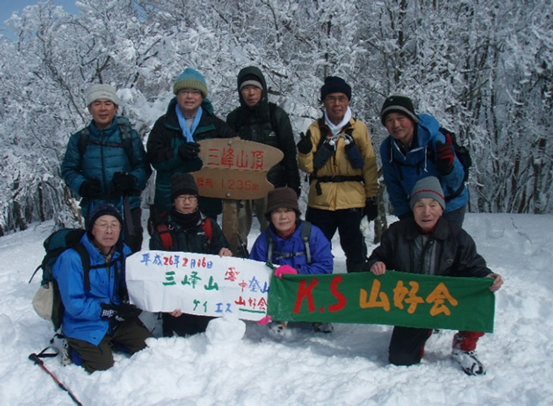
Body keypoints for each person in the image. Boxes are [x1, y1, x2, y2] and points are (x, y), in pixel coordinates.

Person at [365, 177, 503, 375]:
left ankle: (464, 345)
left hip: (447, 300)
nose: (426, 212)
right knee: (401, 358)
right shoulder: (397, 233)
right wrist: (376, 264)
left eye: (432, 205)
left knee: (481, 290)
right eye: (419, 205)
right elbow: (378, 257)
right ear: (412, 209)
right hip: (414, 305)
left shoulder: (457, 237)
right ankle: (424, 330)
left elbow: (473, 266)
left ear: (441, 209)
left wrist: (488, 275)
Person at [53, 204, 152, 373]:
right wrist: (107, 311)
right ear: (92, 228)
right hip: (83, 323)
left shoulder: (122, 251)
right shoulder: (72, 259)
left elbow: (129, 284)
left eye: (114, 225)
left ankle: (112, 340)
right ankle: (71, 346)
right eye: (103, 225)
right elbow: (74, 305)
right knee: (102, 367)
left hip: (115, 320)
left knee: (150, 347)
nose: (109, 231)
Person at [297, 76, 378, 273]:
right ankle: (317, 290)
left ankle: (358, 292)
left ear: (348, 100)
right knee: (315, 249)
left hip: (352, 200)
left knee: (356, 250)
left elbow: (369, 165)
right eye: (331, 98)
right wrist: (304, 151)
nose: (336, 104)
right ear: (324, 101)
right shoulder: (315, 129)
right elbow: (307, 167)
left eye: (341, 98)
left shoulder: (358, 129)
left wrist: (371, 197)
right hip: (320, 200)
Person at [61, 84, 152, 252]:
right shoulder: (79, 139)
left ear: (115, 107)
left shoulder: (129, 137)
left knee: (129, 256)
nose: (103, 109)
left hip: (127, 208)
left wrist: (132, 180)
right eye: (97, 103)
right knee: (98, 255)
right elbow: (68, 169)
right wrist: (82, 185)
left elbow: (144, 167)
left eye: (107, 103)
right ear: (89, 108)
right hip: (94, 208)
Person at [226, 66, 301, 257]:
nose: (251, 93)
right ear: (240, 91)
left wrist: (293, 187)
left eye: (255, 88)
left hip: (272, 185)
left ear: (263, 90)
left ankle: (274, 261)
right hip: (241, 185)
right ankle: (237, 262)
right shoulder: (234, 119)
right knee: (236, 229)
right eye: (246, 88)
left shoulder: (277, 115)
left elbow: (289, 153)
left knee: (275, 228)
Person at [147, 67, 235, 221]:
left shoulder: (215, 125)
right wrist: (177, 153)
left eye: (195, 92)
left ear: (202, 96)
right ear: (177, 95)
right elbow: (154, 158)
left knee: (206, 242)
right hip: (170, 198)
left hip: (205, 197)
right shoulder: (164, 124)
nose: (189, 96)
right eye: (184, 92)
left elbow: (234, 151)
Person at [150, 172, 232, 337]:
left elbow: (222, 250)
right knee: (177, 330)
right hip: (174, 299)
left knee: (209, 331)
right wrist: (166, 301)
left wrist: (225, 253)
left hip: (205, 295)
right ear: (174, 201)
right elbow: (155, 271)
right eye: (181, 198)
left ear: (197, 200)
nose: (187, 202)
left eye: (191, 197)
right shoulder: (162, 229)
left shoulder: (209, 225)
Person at [249, 187, 333, 333]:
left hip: (309, 290)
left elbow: (325, 266)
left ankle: (319, 317)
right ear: (270, 216)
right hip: (281, 294)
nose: (283, 217)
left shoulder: (312, 234)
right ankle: (278, 317)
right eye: (277, 212)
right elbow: (253, 273)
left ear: (296, 214)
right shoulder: (264, 241)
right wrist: (258, 307)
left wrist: (297, 273)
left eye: (288, 211)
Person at [379, 94, 468, 227]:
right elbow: (393, 185)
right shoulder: (388, 148)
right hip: (418, 208)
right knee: (417, 247)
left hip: (450, 205)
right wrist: (404, 213)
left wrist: (448, 169)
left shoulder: (435, 140)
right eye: (389, 120)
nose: (396, 124)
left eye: (400, 118)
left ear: (412, 118)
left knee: (446, 246)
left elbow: (456, 181)